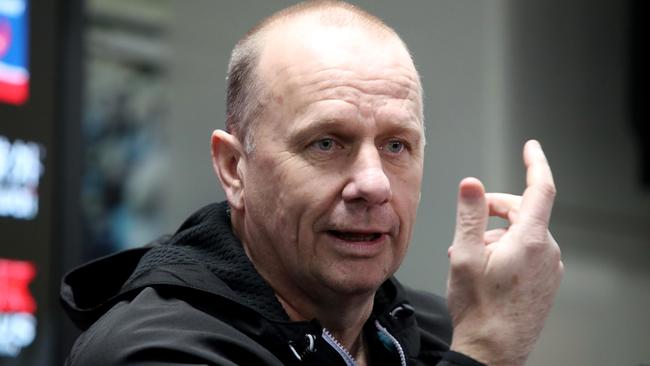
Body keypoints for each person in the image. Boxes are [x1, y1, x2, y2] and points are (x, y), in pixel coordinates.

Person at [61, 1, 563, 365]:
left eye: (396, 146)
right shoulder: (152, 349)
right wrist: (488, 353)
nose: (373, 184)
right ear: (235, 168)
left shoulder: (436, 332)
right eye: (327, 143)